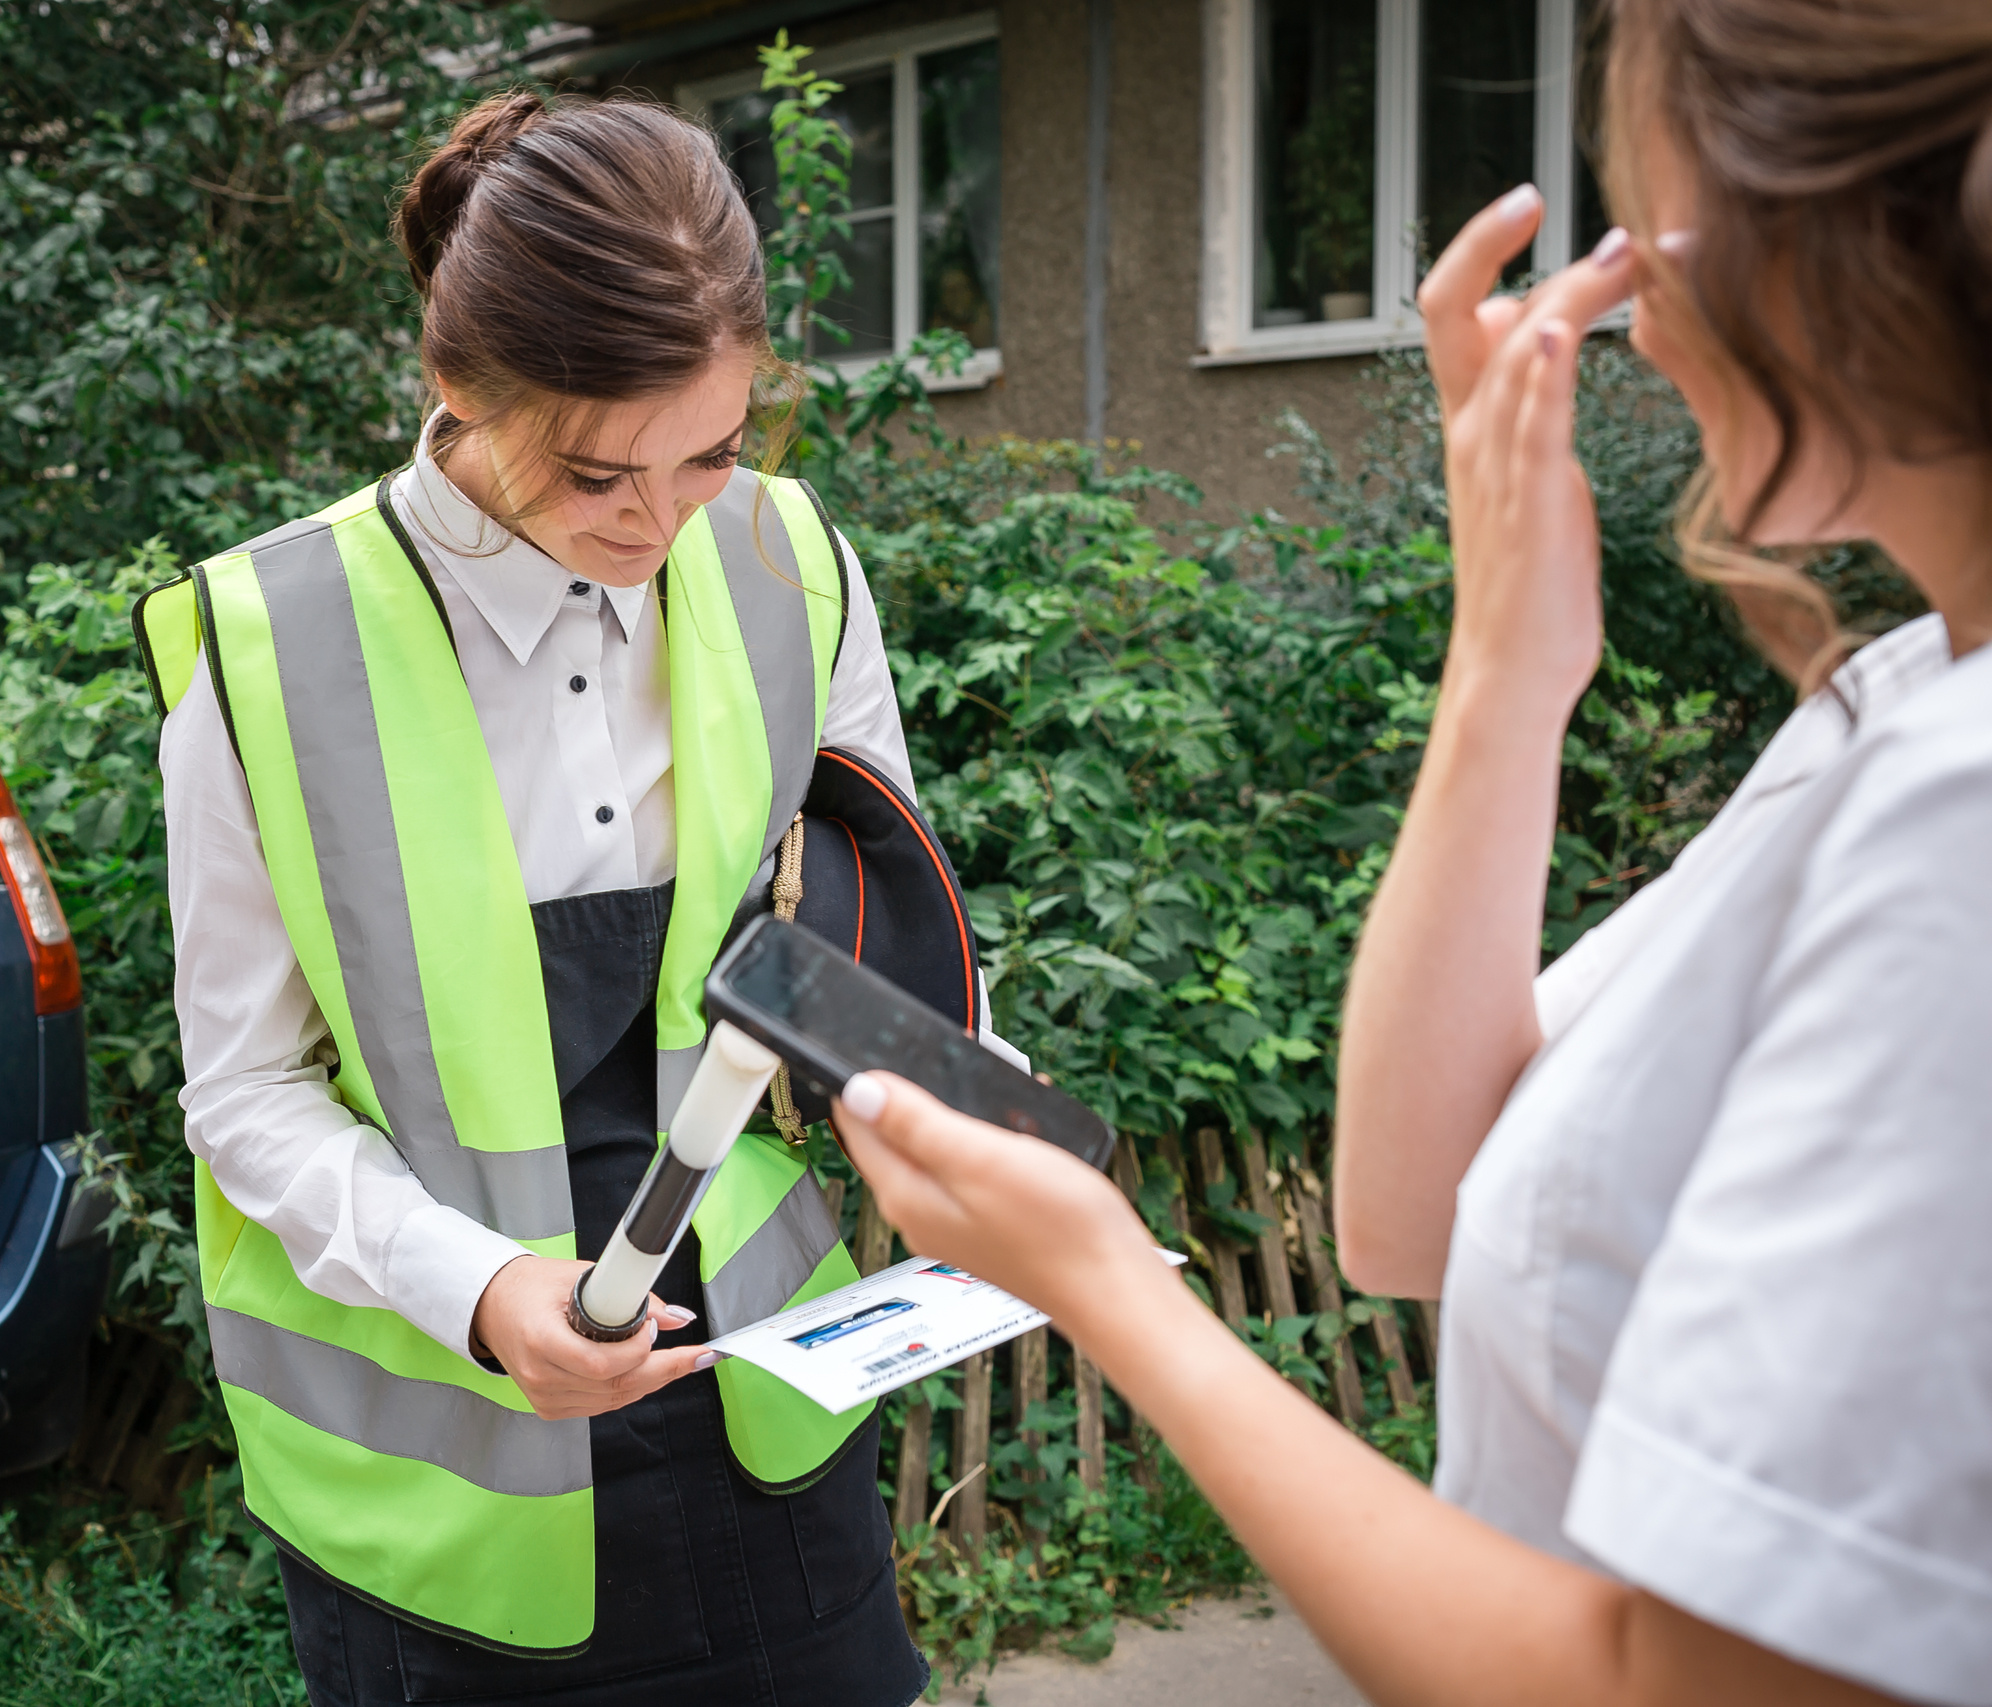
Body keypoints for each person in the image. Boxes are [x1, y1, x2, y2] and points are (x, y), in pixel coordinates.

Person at [828, 2, 1992, 1703]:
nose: (1635, 320)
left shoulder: (1964, 804)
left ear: (1849, 242)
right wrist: (1505, 656)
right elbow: (1413, 1211)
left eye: (1655, 230)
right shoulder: (1897, 701)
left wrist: (1108, 1290)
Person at [144, 91, 969, 1706]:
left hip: (767, 1414)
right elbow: (243, 1095)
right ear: (461, 393)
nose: (661, 523)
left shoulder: (792, 559)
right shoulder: (268, 646)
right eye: (598, 473)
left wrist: (970, 1121)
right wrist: (480, 1295)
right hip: (445, 1486)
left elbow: (889, 930)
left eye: (713, 453)